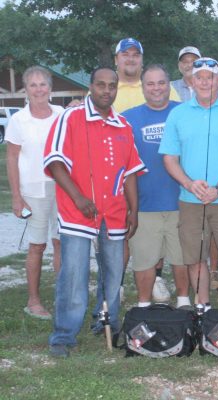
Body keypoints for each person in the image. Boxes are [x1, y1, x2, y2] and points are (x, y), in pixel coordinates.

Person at [44, 67, 145, 358]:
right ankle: (64, 334)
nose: (106, 90)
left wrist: (134, 211)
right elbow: (54, 161)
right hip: (78, 211)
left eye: (112, 85)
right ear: (90, 86)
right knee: (74, 274)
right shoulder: (70, 117)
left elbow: (130, 172)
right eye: (101, 85)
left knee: (113, 274)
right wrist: (78, 197)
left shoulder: (123, 125)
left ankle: (105, 321)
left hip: (113, 212)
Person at [160, 57, 218, 308]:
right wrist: (190, 184)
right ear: (191, 81)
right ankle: (203, 309)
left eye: (209, 77)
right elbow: (169, 158)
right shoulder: (178, 114)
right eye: (198, 77)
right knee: (195, 259)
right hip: (191, 200)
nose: (204, 82)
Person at [122, 64, 191, 309]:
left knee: (182, 257)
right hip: (144, 203)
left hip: (182, 200)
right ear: (142, 88)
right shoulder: (128, 118)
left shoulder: (186, 112)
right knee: (144, 259)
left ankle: (184, 301)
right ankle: (143, 305)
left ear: (169, 85)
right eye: (150, 84)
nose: (156, 88)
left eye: (161, 83)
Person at [6, 66, 63, 320]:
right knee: (37, 245)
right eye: (33, 85)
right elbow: (11, 158)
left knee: (61, 242)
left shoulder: (62, 114)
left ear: (50, 88)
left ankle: (63, 295)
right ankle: (33, 301)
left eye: (43, 84)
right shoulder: (19, 120)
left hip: (62, 187)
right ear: (26, 90)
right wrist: (16, 197)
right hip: (33, 189)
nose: (39, 89)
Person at [113, 37, 180, 113]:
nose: (131, 59)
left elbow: (179, 115)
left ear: (142, 60)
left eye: (136, 55)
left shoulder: (162, 88)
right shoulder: (107, 89)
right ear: (116, 60)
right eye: (125, 55)